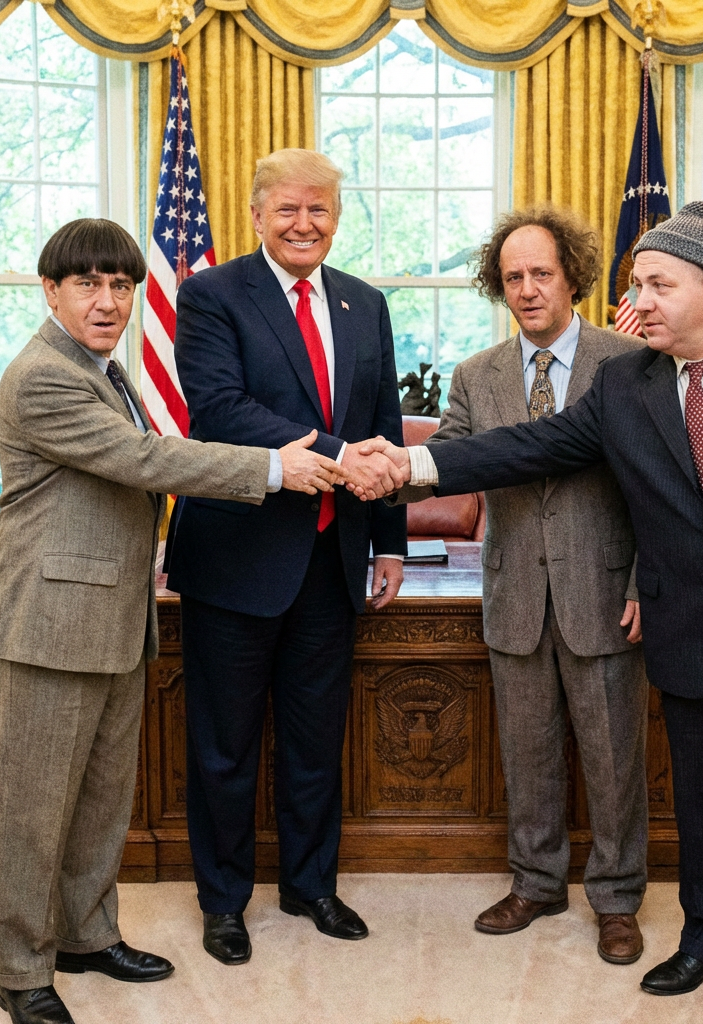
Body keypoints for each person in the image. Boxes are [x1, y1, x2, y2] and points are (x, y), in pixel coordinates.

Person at [356, 202, 703, 1024]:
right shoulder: (627, 384)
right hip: (688, 636)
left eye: (656, 284)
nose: (635, 300)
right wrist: (414, 461)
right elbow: (528, 447)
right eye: (634, 283)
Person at [0, 219, 345, 1024]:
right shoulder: (45, 375)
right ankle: (21, 971)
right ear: (51, 290)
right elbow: (145, 461)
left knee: (101, 804)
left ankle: (85, 934)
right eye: (88, 284)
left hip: (109, 620)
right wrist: (273, 466)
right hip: (48, 630)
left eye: (121, 285)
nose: (108, 301)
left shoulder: (105, 371)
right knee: (33, 816)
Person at [165, 148, 408, 965]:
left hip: (332, 560)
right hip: (236, 559)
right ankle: (224, 903)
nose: (305, 224)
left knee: (315, 739)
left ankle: (311, 886)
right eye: (289, 210)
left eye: (320, 211)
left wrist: (391, 541)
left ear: (337, 219)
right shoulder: (209, 294)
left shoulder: (364, 303)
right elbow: (220, 408)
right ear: (257, 214)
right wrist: (348, 453)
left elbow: (387, 419)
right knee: (225, 745)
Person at [394, 206, 649, 962]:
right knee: (528, 753)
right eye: (513, 277)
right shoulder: (476, 376)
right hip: (513, 598)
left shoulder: (630, 363)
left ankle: (616, 898)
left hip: (604, 595)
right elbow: (446, 469)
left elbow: (657, 492)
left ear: (572, 275)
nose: (529, 289)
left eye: (542, 273)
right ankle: (536, 883)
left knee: (613, 757)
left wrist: (645, 581)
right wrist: (380, 468)